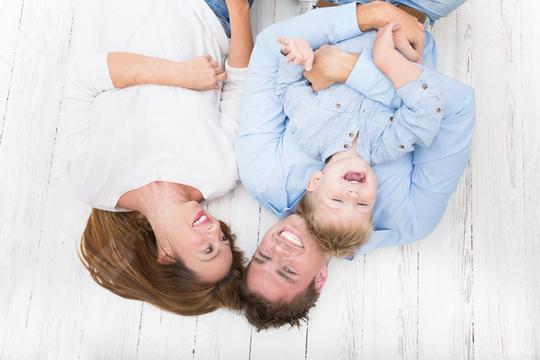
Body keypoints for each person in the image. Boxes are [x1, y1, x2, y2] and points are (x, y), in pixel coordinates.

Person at [236, 0, 475, 329]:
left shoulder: (262, 174)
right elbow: (455, 108)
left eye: (263, 256)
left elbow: (270, 51)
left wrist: (372, 14)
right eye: (288, 270)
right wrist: (349, 69)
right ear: (320, 278)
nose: (279, 250)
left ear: (315, 181)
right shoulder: (409, 220)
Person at [62, 0, 253, 316]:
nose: (215, 232)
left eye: (208, 249)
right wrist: (238, 9)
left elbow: (83, 79)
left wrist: (178, 74)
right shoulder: (219, 173)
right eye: (223, 240)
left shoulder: (91, 182)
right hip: (211, 10)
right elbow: (239, 85)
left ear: (166, 255)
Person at [273, 26, 444, 257]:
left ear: (315, 181)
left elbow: (288, 89)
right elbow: (426, 114)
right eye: (362, 206)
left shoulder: (309, 132)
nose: (352, 196)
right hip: (406, 23)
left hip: (348, 15)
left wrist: (298, 55)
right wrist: (387, 59)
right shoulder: (388, 145)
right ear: (374, 197)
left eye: (337, 200)